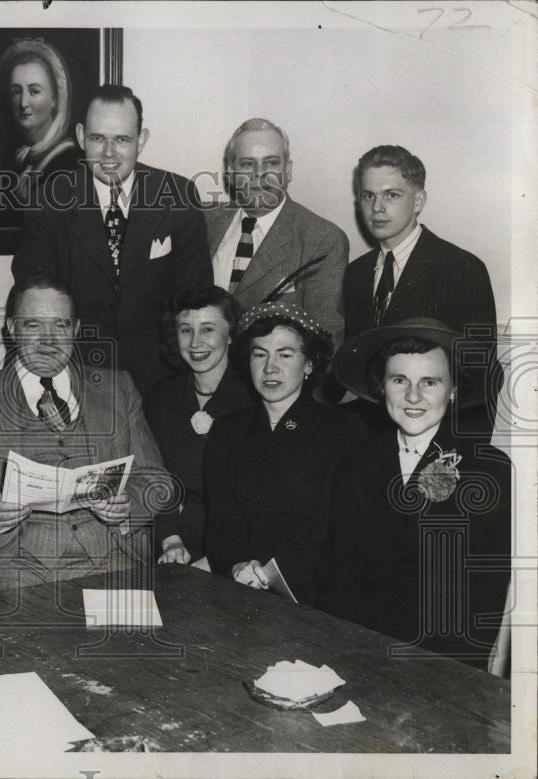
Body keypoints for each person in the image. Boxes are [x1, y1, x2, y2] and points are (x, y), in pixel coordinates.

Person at [0, 274, 170, 596]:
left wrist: (128, 504)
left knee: (128, 643)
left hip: (112, 563)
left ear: (75, 330)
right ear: (12, 328)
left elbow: (157, 480)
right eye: (33, 325)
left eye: (60, 325)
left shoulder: (118, 388)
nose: (48, 340)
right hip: (8, 571)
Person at [318, 319, 511, 670]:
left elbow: (485, 593)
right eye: (399, 380)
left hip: (443, 660)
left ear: (453, 390)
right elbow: (338, 573)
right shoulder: (356, 461)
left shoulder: (489, 470)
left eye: (430, 382)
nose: (412, 397)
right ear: (381, 388)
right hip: (359, 648)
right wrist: (344, 650)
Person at [12, 84, 212, 396]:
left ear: (141, 140)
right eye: (97, 138)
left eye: (121, 139)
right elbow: (36, 301)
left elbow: (197, 301)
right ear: (80, 137)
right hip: (78, 377)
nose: (108, 153)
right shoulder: (49, 201)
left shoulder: (179, 197)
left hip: (163, 381)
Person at [204, 302, 364, 605]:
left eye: (285, 355)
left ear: (309, 364)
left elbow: (335, 529)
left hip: (315, 593)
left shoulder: (342, 429)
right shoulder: (228, 431)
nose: (269, 368)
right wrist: (236, 564)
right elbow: (222, 522)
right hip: (241, 585)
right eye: (259, 354)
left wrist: (274, 574)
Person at [344, 145, 501, 437]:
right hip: (370, 442)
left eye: (392, 195)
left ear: (418, 201)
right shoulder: (355, 273)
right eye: (368, 195)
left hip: (437, 441)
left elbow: (479, 379)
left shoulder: (462, 268)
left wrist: (452, 462)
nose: (377, 208)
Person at [206, 118, 348, 347]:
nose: (259, 174)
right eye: (247, 164)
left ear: (288, 170)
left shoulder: (322, 239)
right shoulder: (205, 222)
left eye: (271, 163)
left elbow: (325, 340)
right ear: (230, 173)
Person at [144, 286, 252, 563]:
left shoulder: (253, 400)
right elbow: (153, 477)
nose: (195, 342)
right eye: (185, 330)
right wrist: (170, 540)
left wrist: (216, 561)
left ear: (230, 334)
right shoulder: (161, 398)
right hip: (171, 540)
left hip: (238, 547)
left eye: (207, 330)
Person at [0, 38, 82, 202]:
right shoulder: (15, 160)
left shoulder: (69, 162)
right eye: (16, 91)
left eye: (34, 91)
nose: (23, 103)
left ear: (55, 99)